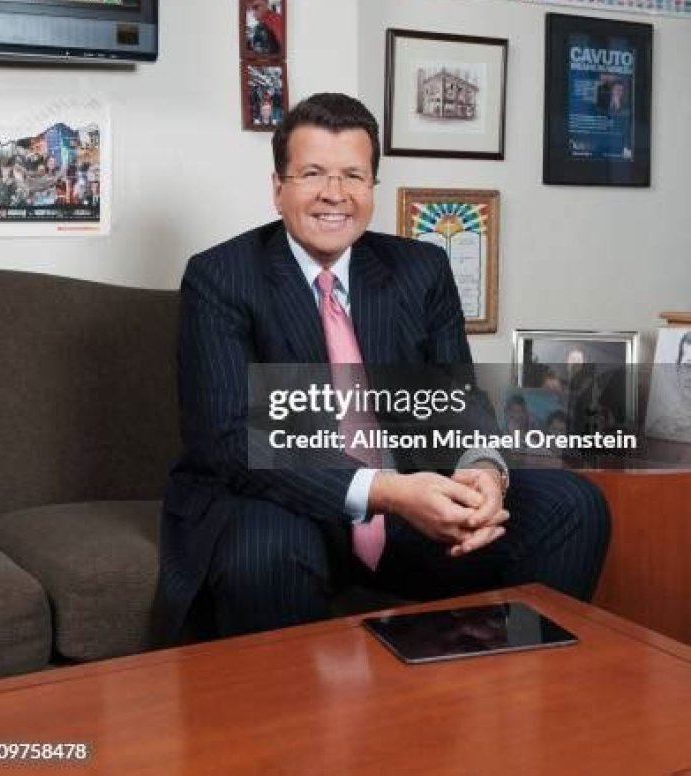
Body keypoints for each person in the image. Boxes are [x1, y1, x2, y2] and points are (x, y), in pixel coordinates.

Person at [159, 94, 609, 642]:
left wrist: (483, 471)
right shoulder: (221, 277)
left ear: (372, 187)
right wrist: (388, 492)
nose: (335, 193)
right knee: (263, 552)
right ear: (278, 188)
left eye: (353, 175)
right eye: (312, 173)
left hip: (409, 513)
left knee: (573, 505)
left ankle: (515, 684)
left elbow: (457, 401)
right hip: (285, 504)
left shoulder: (421, 269)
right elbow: (229, 442)